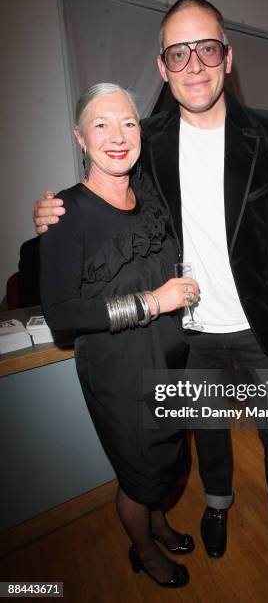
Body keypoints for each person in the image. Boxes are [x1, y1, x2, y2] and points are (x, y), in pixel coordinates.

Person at [34, 0, 268, 585]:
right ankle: (217, 506)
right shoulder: (150, 140)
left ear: (227, 56)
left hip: (259, 327)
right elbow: (107, 198)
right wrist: (50, 212)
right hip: (187, 332)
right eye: (178, 53)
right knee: (209, 432)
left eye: (207, 48)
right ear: (163, 67)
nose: (195, 64)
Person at [40, 83, 202, 588]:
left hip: (171, 358)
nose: (117, 136)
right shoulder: (67, 213)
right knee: (138, 474)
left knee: (168, 461)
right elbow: (62, 313)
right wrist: (153, 302)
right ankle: (145, 552)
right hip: (120, 374)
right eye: (101, 124)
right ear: (80, 138)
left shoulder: (149, 194)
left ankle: (157, 525)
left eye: (128, 123)